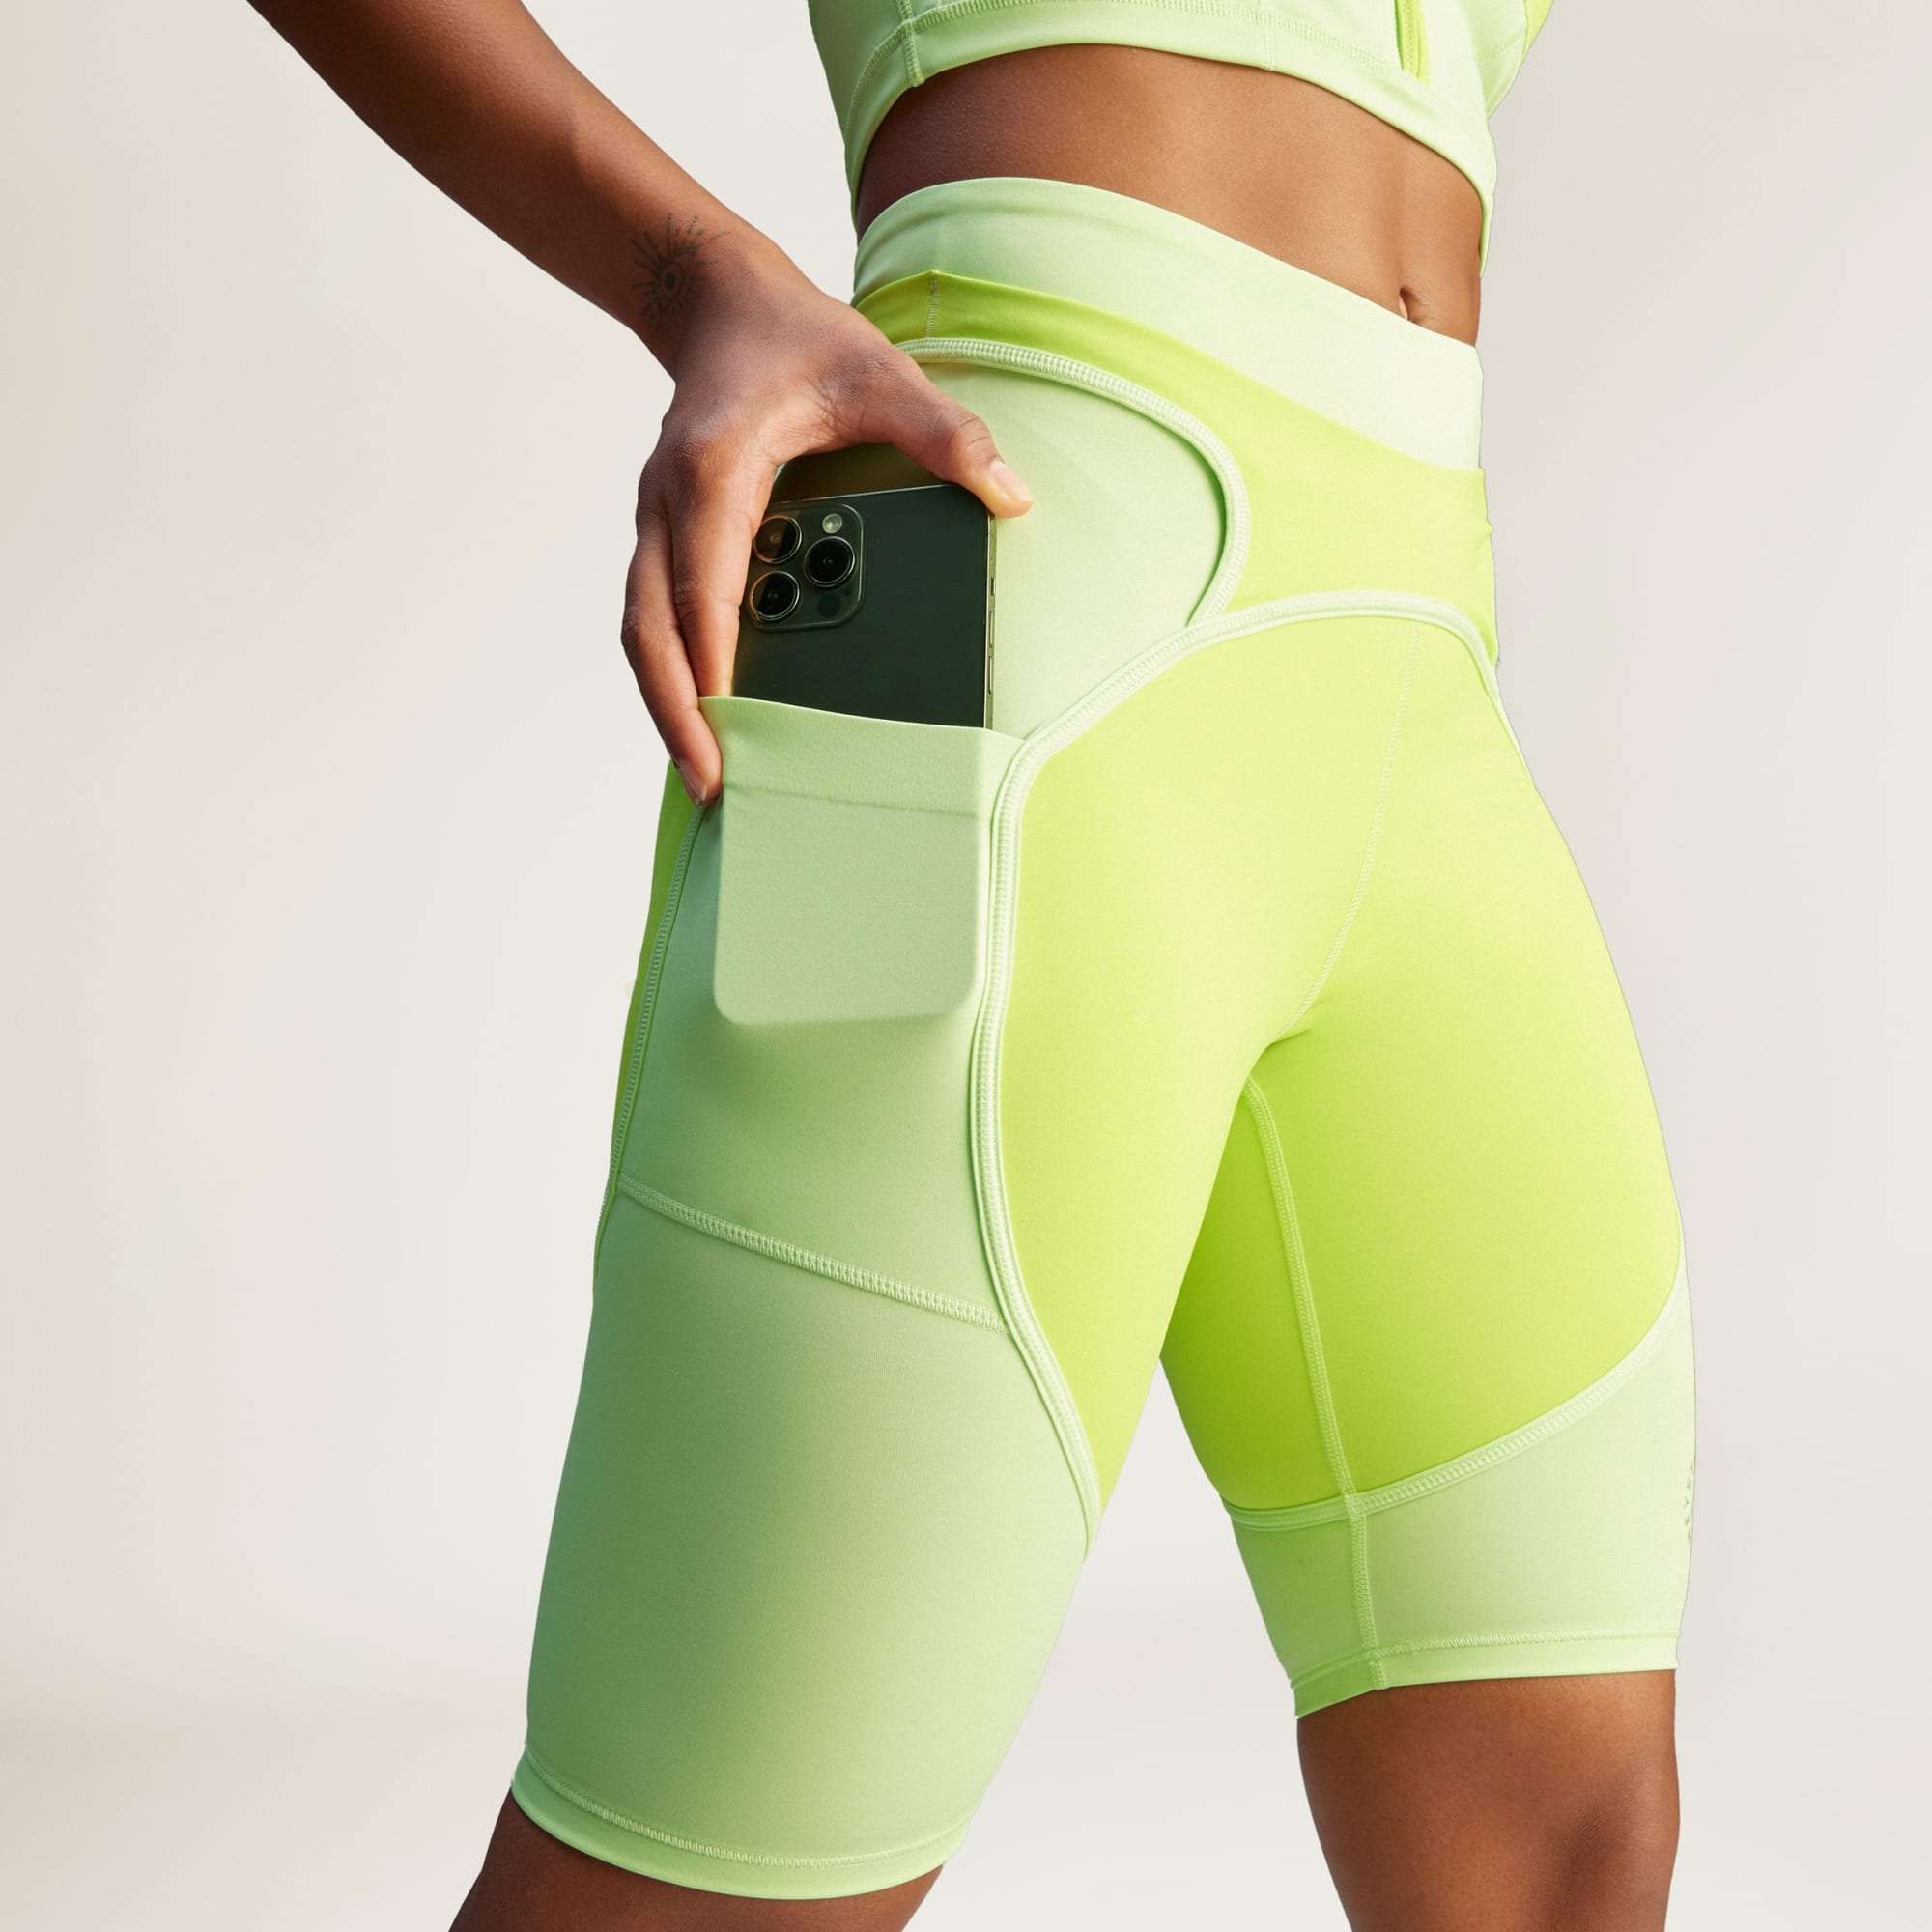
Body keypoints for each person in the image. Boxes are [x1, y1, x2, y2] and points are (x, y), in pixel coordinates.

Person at [246, 5, 1696, 1927]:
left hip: (1418, 670)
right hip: (969, 599)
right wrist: (692, 278)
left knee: (1562, 1832)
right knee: (714, 1858)